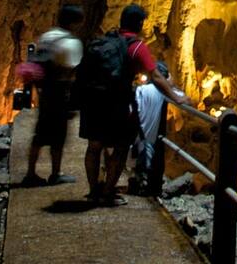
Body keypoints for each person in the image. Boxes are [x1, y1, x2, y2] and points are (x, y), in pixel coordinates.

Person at [77, 4, 188, 205]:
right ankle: (108, 193)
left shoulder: (106, 40)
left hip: (92, 101)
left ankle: (94, 191)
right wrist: (176, 97)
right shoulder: (136, 46)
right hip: (115, 103)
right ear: (139, 24)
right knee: (120, 147)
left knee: (93, 146)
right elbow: (156, 75)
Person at [25, 5, 85, 185]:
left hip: (45, 92)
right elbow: (71, 70)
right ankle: (56, 173)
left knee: (40, 134)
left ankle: (30, 174)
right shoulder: (72, 43)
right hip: (60, 92)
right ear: (75, 23)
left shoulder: (47, 36)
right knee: (58, 136)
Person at [129, 62, 180, 197]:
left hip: (139, 130)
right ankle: (151, 188)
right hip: (153, 133)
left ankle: (141, 182)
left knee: (141, 156)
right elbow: (183, 99)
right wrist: (171, 84)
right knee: (151, 157)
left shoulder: (141, 89)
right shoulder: (163, 92)